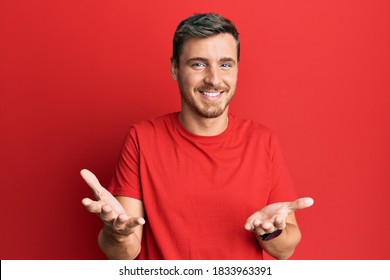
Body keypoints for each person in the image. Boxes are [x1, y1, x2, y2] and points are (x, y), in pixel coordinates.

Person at [81, 13, 314, 260]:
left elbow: (285, 251)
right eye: (198, 64)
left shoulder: (262, 140)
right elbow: (124, 253)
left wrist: (270, 233)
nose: (214, 79)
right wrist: (117, 233)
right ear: (174, 69)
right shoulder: (142, 138)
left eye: (225, 64)